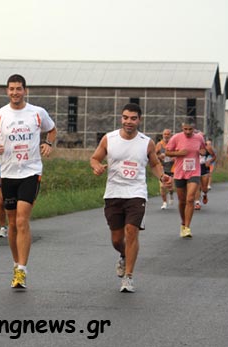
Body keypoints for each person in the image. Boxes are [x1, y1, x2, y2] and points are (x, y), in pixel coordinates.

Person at [0, 74, 57, 289]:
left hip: (30, 172)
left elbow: (52, 130)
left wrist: (48, 143)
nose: (15, 92)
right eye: (11, 89)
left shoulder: (37, 113)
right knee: (13, 222)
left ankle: (22, 270)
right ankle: (16, 265)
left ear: (25, 90)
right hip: (7, 174)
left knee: (23, 220)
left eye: (18, 88)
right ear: (7, 91)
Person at [90, 103, 169, 293]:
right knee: (117, 240)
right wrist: (96, 167)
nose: (129, 121)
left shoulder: (146, 142)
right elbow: (94, 158)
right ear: (121, 118)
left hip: (136, 193)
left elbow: (155, 164)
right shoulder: (109, 139)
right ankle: (124, 255)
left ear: (139, 120)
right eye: (125, 117)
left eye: (133, 118)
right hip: (113, 193)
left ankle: (128, 277)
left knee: (131, 231)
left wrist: (162, 176)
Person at [165, 119, 206, 238]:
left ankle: (187, 227)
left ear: (194, 129)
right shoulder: (176, 138)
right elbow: (167, 152)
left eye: (190, 129)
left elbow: (203, 149)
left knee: (190, 198)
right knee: (182, 201)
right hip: (179, 172)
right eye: (185, 129)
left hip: (194, 171)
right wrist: (179, 154)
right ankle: (183, 223)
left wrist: (202, 152)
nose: (187, 132)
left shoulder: (199, 138)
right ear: (182, 128)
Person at [194, 137, 216, 210]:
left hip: (204, 168)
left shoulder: (208, 147)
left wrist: (209, 161)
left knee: (204, 188)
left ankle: (205, 194)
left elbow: (214, 156)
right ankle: (197, 203)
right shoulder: (192, 146)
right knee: (197, 186)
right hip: (195, 168)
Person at [155, 129, 175, 209]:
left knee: (170, 187)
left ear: (170, 135)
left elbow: (178, 154)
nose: (166, 135)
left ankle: (171, 194)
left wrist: (174, 158)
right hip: (162, 168)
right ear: (162, 135)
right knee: (162, 186)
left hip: (172, 168)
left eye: (168, 134)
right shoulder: (159, 144)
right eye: (165, 134)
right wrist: (159, 157)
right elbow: (154, 156)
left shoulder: (174, 144)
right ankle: (164, 202)